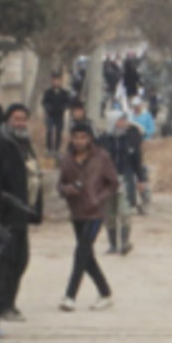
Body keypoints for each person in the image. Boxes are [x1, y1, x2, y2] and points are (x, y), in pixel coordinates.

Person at [0, 103, 42, 324]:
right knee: (5, 263)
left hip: (22, 214)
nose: (20, 123)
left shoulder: (24, 144)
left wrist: (35, 211)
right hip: (5, 215)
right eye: (16, 119)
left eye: (23, 119)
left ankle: (9, 303)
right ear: (8, 120)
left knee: (20, 260)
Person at [56, 120, 118, 312]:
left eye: (83, 137)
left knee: (81, 252)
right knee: (87, 256)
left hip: (95, 213)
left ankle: (70, 295)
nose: (80, 141)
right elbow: (60, 184)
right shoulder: (67, 158)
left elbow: (113, 183)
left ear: (90, 138)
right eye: (76, 137)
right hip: (76, 212)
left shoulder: (101, 157)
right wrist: (68, 189)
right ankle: (105, 292)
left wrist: (98, 199)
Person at [99, 108, 146, 254]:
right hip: (107, 181)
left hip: (125, 179)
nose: (124, 123)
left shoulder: (131, 138)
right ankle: (113, 245)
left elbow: (137, 160)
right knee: (109, 213)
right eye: (121, 120)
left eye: (125, 120)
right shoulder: (102, 140)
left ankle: (125, 242)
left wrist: (141, 179)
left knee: (125, 212)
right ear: (113, 122)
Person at [42, 71, 70, 155]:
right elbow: (44, 102)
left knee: (59, 132)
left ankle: (57, 149)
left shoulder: (64, 93)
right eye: (54, 80)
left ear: (60, 81)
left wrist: (64, 107)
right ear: (52, 81)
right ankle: (49, 149)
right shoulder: (48, 92)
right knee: (49, 131)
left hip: (59, 115)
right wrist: (48, 107)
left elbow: (67, 102)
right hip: (50, 115)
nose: (56, 82)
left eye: (58, 80)